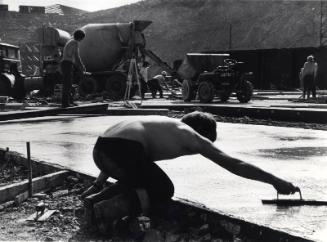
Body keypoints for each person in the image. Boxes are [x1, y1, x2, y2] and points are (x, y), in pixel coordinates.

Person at [81, 111, 299, 233]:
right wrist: (274, 180)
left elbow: (121, 155)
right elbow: (234, 164)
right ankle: (104, 212)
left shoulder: (164, 124)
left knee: (145, 178)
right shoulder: (191, 135)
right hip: (122, 150)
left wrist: (98, 184)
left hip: (100, 149)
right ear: (202, 134)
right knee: (163, 189)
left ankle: (94, 201)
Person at [61, 29, 86, 108]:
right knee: (67, 84)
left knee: (69, 84)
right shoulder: (74, 43)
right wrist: (82, 66)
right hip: (67, 64)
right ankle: (65, 103)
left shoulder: (70, 42)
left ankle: (70, 101)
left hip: (66, 63)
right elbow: (76, 56)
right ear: (80, 37)